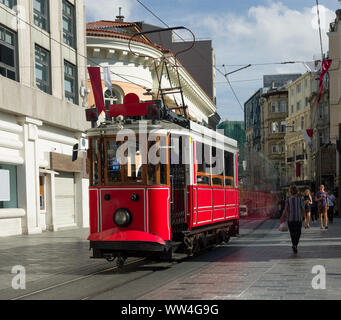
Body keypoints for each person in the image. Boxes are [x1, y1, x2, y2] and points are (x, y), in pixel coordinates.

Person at [280, 185, 306, 254]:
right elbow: (303, 209)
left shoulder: (289, 200)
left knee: (292, 233)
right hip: (297, 219)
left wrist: (282, 217)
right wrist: (304, 218)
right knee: (298, 233)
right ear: (296, 192)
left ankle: (294, 245)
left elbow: (285, 210)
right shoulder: (300, 199)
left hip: (291, 219)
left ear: (290, 192)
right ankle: (295, 245)